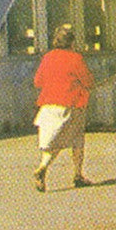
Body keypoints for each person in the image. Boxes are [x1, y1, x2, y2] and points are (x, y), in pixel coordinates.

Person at [32, 24, 94, 191]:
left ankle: (48, 168)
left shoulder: (48, 57)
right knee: (75, 140)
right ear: (72, 42)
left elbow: (37, 81)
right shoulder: (75, 58)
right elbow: (88, 81)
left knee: (54, 141)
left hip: (48, 104)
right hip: (70, 104)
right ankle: (75, 174)